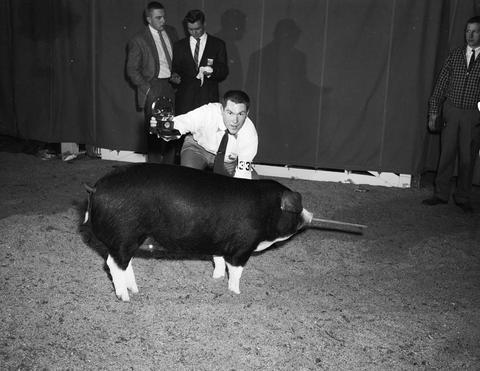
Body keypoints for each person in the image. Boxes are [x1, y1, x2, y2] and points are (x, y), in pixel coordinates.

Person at [423, 16, 480, 213]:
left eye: (475, 31)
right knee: (446, 154)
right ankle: (440, 193)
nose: (470, 35)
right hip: (452, 111)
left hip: (473, 115)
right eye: (467, 31)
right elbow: (440, 86)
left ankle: (463, 196)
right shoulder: (455, 55)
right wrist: (433, 112)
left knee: (467, 158)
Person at [152, 90, 257, 179]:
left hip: (227, 160)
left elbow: (243, 174)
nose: (235, 121)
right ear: (222, 109)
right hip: (197, 148)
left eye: (240, 114)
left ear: (247, 113)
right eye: (230, 113)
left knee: (250, 186)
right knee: (187, 182)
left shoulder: (249, 134)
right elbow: (184, 123)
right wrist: (163, 126)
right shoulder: (208, 112)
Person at [126, 1, 178, 164]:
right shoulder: (138, 39)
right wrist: (148, 89)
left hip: (172, 86)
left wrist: (176, 75)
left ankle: (169, 171)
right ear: (148, 19)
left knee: (173, 128)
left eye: (164, 17)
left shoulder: (172, 32)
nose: (163, 21)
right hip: (153, 86)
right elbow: (131, 70)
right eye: (158, 18)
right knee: (155, 131)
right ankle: (154, 173)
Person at [171, 9, 229, 115]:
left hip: (208, 100)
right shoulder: (179, 46)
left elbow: (224, 71)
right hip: (185, 101)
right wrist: (174, 76)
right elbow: (175, 68)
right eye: (190, 29)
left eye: (197, 28)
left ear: (204, 24)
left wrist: (212, 71)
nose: (194, 32)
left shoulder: (218, 44)